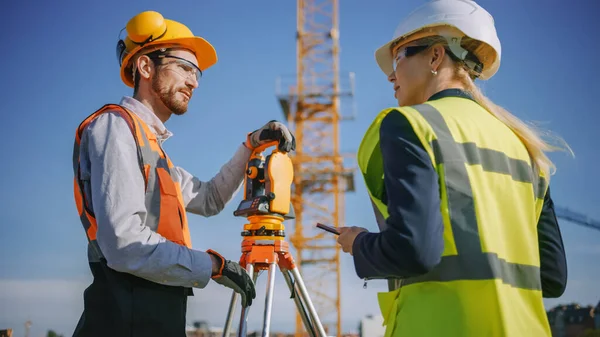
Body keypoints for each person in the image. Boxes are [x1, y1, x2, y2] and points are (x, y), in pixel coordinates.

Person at [336, 1, 571, 336]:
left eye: (399, 56)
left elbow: (413, 251)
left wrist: (359, 243)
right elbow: (551, 278)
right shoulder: (525, 148)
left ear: (435, 56)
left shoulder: (411, 124)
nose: (390, 74)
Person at [71, 11, 296, 337]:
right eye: (184, 68)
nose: (193, 81)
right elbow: (124, 243)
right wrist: (213, 267)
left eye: (197, 74)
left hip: (155, 306)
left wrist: (250, 146)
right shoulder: (116, 127)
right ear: (146, 67)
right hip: (126, 310)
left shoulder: (152, 150)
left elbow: (210, 199)